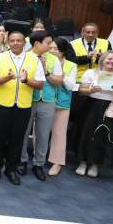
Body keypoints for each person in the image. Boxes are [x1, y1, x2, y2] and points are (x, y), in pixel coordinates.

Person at [0, 31, 46, 185]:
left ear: (24, 43)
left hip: (23, 106)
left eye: (19, 40)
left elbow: (40, 85)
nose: (15, 43)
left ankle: (11, 168)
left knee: (18, 139)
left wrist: (26, 81)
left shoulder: (34, 60)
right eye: (12, 41)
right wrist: (7, 78)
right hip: (2, 104)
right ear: (8, 43)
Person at [76, 51, 113, 178]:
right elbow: (81, 91)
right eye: (109, 59)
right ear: (102, 60)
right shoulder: (91, 73)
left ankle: (95, 164)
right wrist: (90, 90)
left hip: (110, 109)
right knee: (87, 133)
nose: (112, 62)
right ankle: (83, 162)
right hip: (91, 107)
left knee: (104, 136)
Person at [18, 30, 64, 180]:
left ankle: (38, 164)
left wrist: (45, 72)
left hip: (48, 101)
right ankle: (22, 161)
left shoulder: (53, 59)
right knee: (23, 132)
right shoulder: (25, 57)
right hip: (27, 99)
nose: (51, 46)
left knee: (43, 135)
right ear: (37, 43)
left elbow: (58, 82)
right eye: (48, 43)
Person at [46, 37, 77, 176]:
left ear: (63, 51)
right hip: (44, 100)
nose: (51, 51)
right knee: (38, 132)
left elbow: (70, 85)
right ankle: (38, 157)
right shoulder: (44, 60)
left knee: (59, 134)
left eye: (55, 49)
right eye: (50, 47)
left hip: (62, 103)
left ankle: (57, 162)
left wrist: (61, 73)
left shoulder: (71, 65)